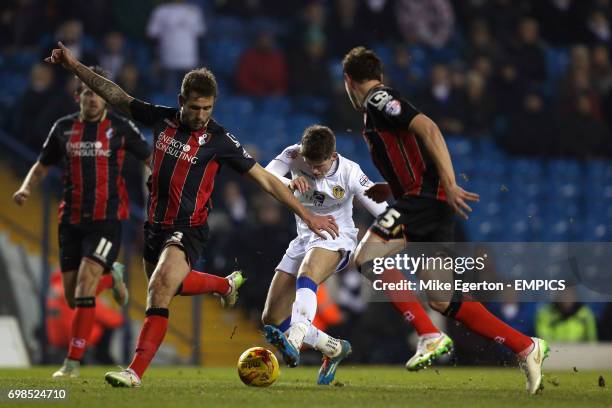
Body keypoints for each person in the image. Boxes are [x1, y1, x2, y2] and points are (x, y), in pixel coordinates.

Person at [44, 41, 338, 388]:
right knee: (171, 285)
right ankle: (225, 283)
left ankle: (133, 371)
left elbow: (267, 181)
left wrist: (308, 216)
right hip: (154, 226)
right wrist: (75, 65)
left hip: (188, 228)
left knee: (160, 288)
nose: (201, 116)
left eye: (208, 109)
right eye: (195, 108)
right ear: (182, 101)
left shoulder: (220, 140)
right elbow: (116, 94)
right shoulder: (161, 118)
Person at [342, 46, 549, 395]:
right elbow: (408, 151)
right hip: (427, 204)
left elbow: (429, 128)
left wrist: (450, 184)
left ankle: (428, 334)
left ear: (349, 80)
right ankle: (526, 346)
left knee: (366, 258)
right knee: (440, 298)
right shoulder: (378, 105)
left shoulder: (377, 100)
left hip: (422, 200)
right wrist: (388, 185)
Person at [261, 125, 452, 384]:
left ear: (333, 155)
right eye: (310, 164)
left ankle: (296, 337)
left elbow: (382, 211)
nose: (315, 171)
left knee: (308, 273)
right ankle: (333, 347)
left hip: (336, 238)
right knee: (271, 318)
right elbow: (267, 175)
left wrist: (416, 234)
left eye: (321, 165)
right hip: (303, 238)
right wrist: (289, 181)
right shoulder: (294, 154)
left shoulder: (350, 173)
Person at [13, 66, 151, 379]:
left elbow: (150, 159)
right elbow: (42, 164)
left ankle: (72, 363)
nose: (92, 99)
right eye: (87, 93)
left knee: (87, 284)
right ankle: (112, 274)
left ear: (105, 99)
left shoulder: (121, 127)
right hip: (70, 220)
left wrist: (157, 185)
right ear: (79, 97)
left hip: (106, 219)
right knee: (74, 296)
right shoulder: (62, 129)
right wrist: (25, 188)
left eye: (98, 94)